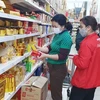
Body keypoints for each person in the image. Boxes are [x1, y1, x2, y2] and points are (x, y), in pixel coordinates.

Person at [36, 14, 72, 100]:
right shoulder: (57, 35)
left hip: (58, 68)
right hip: (52, 67)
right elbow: (51, 48)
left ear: (62, 26)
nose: (53, 28)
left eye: (55, 26)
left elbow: (62, 56)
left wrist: (45, 56)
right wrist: (40, 48)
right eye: (52, 26)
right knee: (54, 90)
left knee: (56, 93)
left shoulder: (66, 37)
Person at [69, 16, 100, 100]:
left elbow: (82, 64)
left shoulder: (86, 43)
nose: (80, 29)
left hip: (83, 81)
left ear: (89, 28)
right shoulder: (97, 39)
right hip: (93, 80)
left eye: (81, 27)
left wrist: (75, 58)